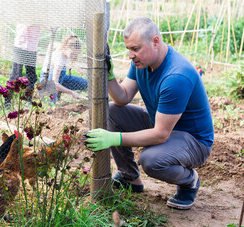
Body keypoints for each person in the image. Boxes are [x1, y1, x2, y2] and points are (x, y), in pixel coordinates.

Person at [84, 17, 214, 210]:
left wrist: (113, 138)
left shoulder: (176, 76)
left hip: (193, 141)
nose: (130, 55)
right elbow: (123, 97)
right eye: (129, 49)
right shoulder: (142, 63)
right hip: (162, 126)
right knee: (110, 112)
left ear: (155, 41)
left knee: (151, 160)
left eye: (135, 49)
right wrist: (110, 78)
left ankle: (189, 181)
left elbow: (160, 134)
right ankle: (130, 177)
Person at [40, 34, 87, 102]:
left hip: (60, 78)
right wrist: (72, 92)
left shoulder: (63, 47)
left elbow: (51, 44)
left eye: (76, 54)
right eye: (72, 53)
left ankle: (60, 89)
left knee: (84, 83)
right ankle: (51, 90)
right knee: (50, 103)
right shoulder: (59, 59)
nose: (74, 56)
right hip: (48, 79)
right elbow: (55, 83)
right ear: (66, 47)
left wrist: (77, 68)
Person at [6, 24, 41, 105]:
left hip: (32, 48)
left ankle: (27, 100)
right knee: (16, 75)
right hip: (20, 46)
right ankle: (7, 101)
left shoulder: (39, 14)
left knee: (31, 76)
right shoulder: (23, 12)